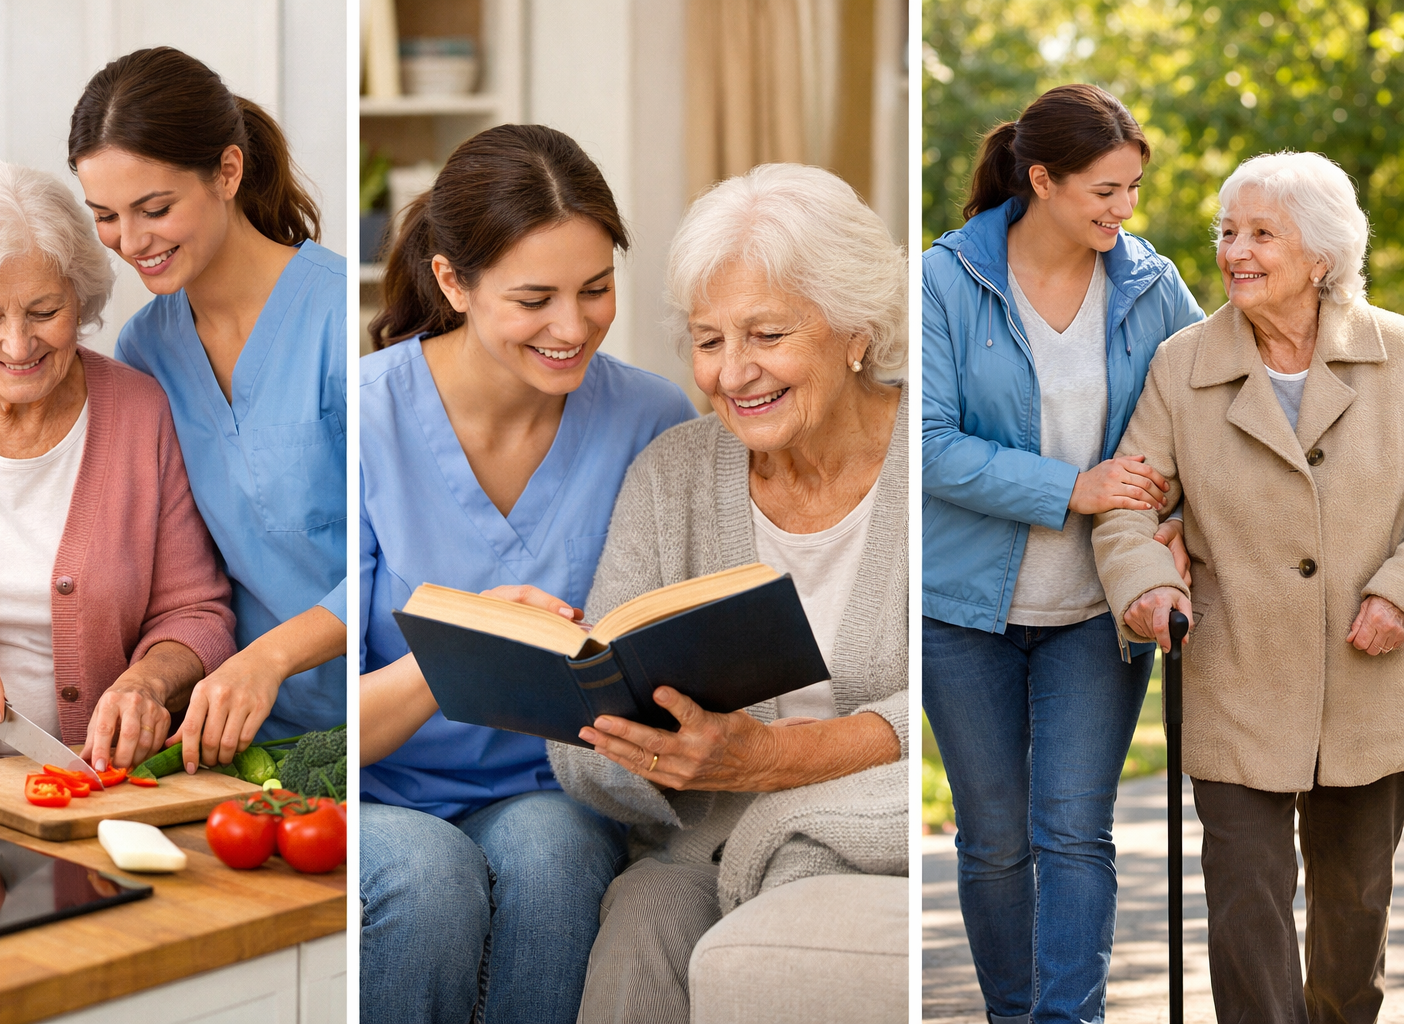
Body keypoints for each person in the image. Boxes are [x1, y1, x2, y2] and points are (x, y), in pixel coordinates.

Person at [545, 162, 907, 1024]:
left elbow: (965, 692)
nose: (733, 374)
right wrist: (646, 747)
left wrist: (775, 759)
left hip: (876, 827)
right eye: (709, 341)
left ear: (857, 331)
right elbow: (581, 735)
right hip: (698, 845)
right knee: (641, 924)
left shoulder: (935, 461)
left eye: (767, 335)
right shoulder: (671, 474)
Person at [356, 124, 696, 1024]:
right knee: (428, 879)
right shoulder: (363, 419)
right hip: (384, 789)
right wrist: (464, 649)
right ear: (452, 282)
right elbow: (333, 722)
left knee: (553, 858)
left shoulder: (653, 418)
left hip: (560, 787)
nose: (572, 328)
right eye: (534, 299)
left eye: (596, 289)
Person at [1093, 151, 1404, 1023]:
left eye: (1263, 233)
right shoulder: (1183, 364)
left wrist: (1398, 592)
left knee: (1353, 912)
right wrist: (1147, 585)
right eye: (1229, 231)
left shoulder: (1398, 356)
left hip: (1368, 679)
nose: (1235, 251)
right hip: (1235, 672)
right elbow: (1127, 505)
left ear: (1323, 256)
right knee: (1245, 902)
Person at [921, 83, 1203, 1023]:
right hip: (963, 613)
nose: (1125, 211)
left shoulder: (1152, 285)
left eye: (1133, 189)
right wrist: (1070, 488)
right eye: (1105, 191)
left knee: (1076, 833)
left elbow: (1205, 414)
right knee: (995, 841)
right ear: (1041, 180)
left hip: (1096, 607)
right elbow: (927, 444)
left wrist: (1180, 525)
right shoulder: (944, 282)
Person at [0, 161, 235, 772]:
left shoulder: (141, 412)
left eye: (43, 312)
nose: (18, 345)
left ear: (79, 297)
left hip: (97, 795)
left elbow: (196, 614)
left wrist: (147, 683)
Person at [68, 47, 345, 774]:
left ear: (227, 172)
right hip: (235, 734)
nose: (132, 243)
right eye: (106, 217)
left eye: (155, 209)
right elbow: (173, 562)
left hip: (378, 716)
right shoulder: (146, 350)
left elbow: (401, 557)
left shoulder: (340, 321)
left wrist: (268, 660)